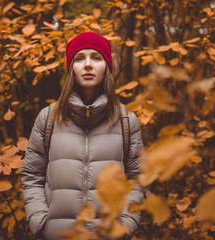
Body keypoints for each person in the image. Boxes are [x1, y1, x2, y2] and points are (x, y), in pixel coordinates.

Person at [21, 32, 144, 240]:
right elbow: (32, 175)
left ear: (107, 66)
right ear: (71, 68)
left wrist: (126, 225)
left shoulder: (126, 120)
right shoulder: (48, 117)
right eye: (80, 58)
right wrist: (40, 222)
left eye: (96, 57)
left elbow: (137, 179)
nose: (88, 64)